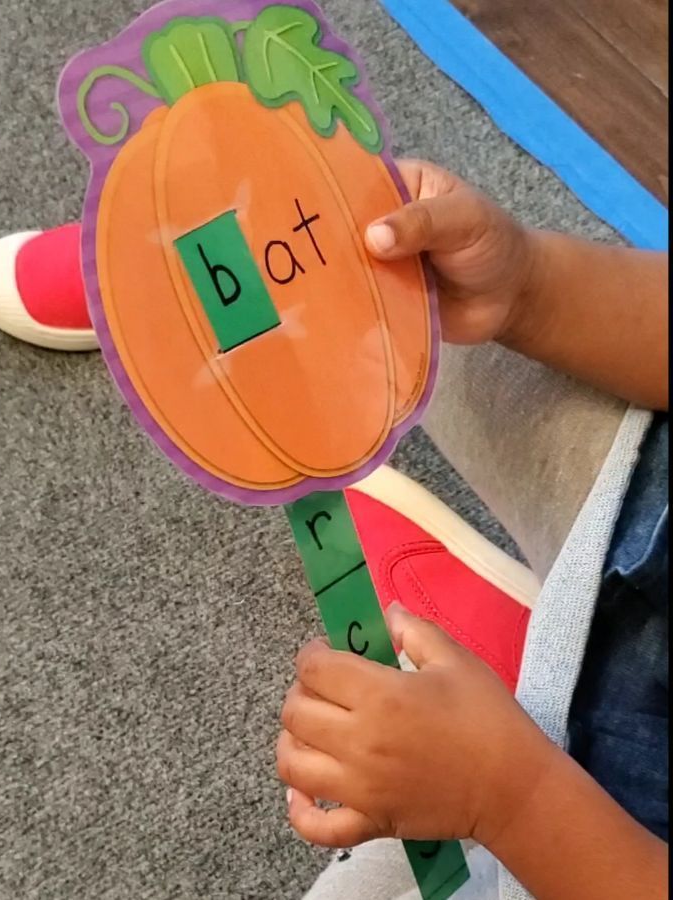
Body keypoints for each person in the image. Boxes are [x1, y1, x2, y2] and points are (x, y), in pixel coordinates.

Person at [277, 161, 669, 900]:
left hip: (599, 838)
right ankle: (181, 296)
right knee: (372, 236)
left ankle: (522, 689)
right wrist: (527, 284)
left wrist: (506, 793)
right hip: (638, 502)